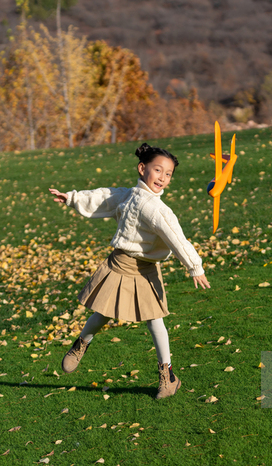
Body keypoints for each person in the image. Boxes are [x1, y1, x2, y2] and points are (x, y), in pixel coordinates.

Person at [49, 143, 210, 399]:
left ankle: (167, 377)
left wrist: (194, 266)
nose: (163, 178)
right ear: (142, 168)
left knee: (155, 321)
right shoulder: (128, 195)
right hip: (119, 264)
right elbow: (102, 197)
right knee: (102, 313)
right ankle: (81, 344)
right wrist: (71, 198)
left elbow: (177, 238)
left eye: (168, 174)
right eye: (158, 170)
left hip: (145, 270)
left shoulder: (157, 209)